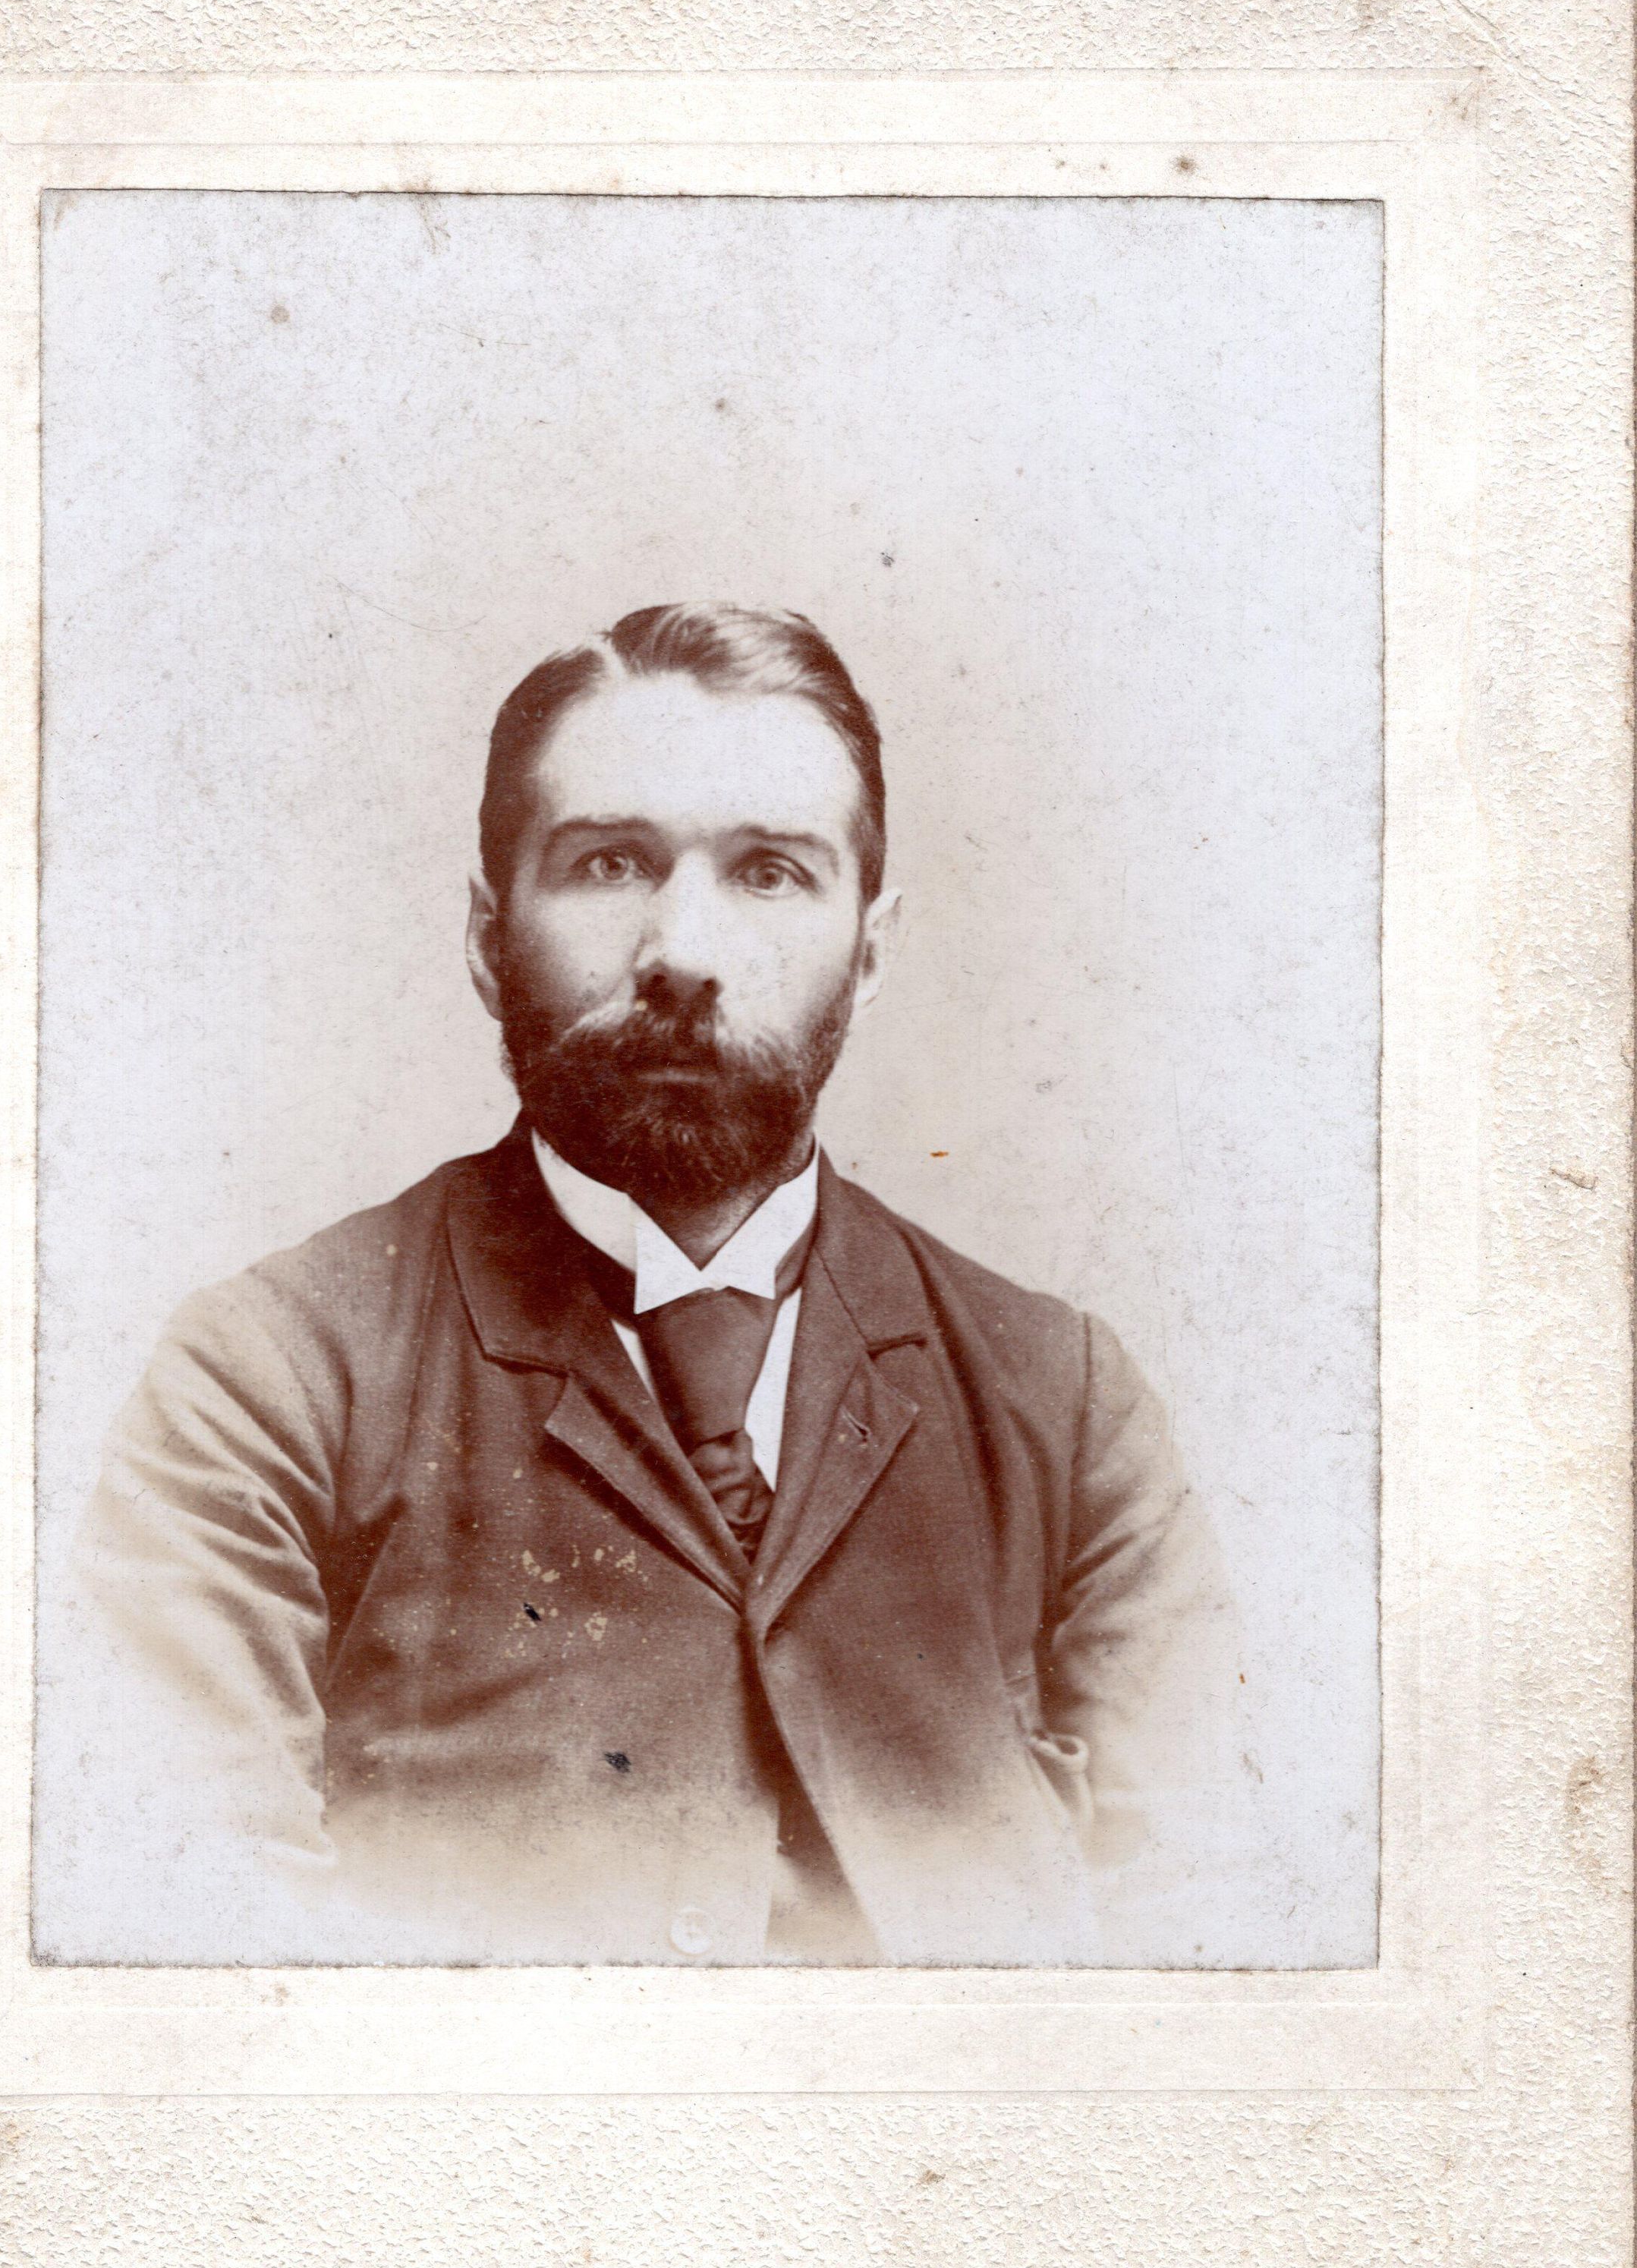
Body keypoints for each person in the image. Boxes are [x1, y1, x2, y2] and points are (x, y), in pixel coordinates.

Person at [73, 603, 1243, 1967]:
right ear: (486, 933)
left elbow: (1198, 1948)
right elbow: (196, 1944)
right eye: (611, 863)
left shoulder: (1066, 1404)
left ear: (869, 951)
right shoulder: (270, 1377)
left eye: (770, 873)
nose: (682, 951)